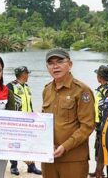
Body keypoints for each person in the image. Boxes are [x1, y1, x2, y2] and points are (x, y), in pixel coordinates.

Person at [41, 48, 95, 178]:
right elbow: (43, 122)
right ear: (47, 67)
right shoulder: (47, 90)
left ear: (70, 64)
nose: (55, 66)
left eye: (60, 61)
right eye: (51, 63)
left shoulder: (82, 90)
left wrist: (65, 146)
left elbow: (87, 126)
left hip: (73, 158)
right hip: (49, 157)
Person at [7, 66, 42, 176]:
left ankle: (31, 167)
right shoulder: (10, 86)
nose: (28, 76)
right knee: (14, 143)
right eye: (27, 73)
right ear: (22, 74)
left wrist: (33, 115)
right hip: (15, 120)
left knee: (29, 143)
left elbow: (30, 103)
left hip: (28, 120)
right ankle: (14, 166)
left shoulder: (26, 86)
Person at [89, 65, 108, 178]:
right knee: (98, 147)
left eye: (97, 75)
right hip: (99, 124)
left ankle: (100, 173)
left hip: (105, 124)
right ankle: (98, 171)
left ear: (100, 77)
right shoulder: (102, 88)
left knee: (103, 148)